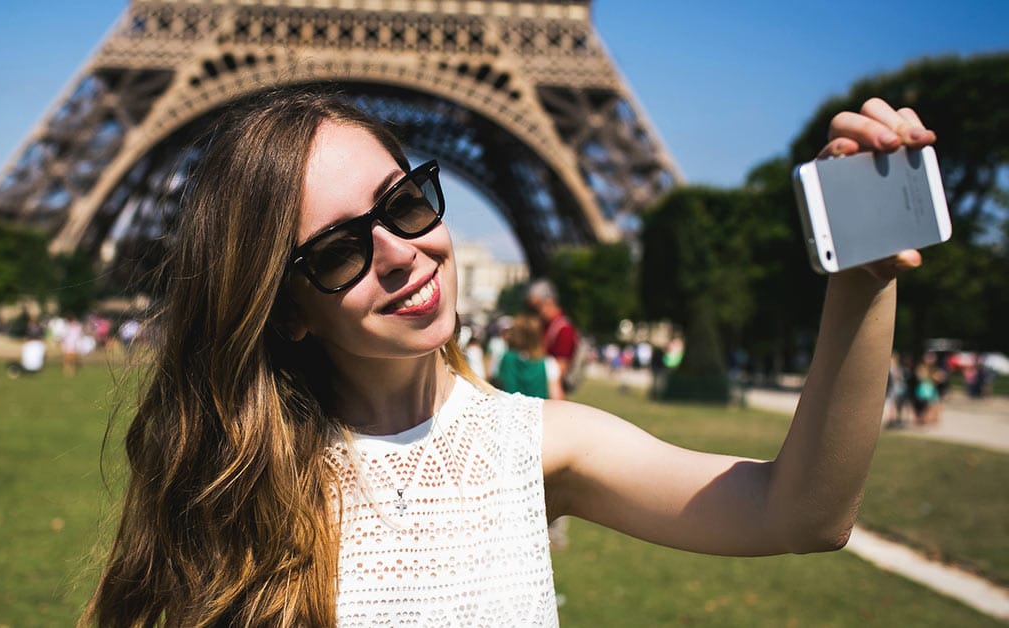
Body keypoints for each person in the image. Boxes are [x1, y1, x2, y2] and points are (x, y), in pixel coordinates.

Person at [84, 90, 932, 626]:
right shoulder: (238, 479)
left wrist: (861, 280)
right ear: (286, 313)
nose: (399, 252)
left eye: (406, 204)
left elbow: (803, 515)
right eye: (339, 251)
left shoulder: (537, 445)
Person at [497, 314, 563, 400]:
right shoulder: (548, 363)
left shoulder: (506, 358)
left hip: (511, 411)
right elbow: (556, 397)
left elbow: (499, 384)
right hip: (537, 412)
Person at [526, 278, 578, 383]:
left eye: (536, 307)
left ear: (549, 301)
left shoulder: (564, 330)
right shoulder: (547, 326)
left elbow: (560, 370)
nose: (534, 312)